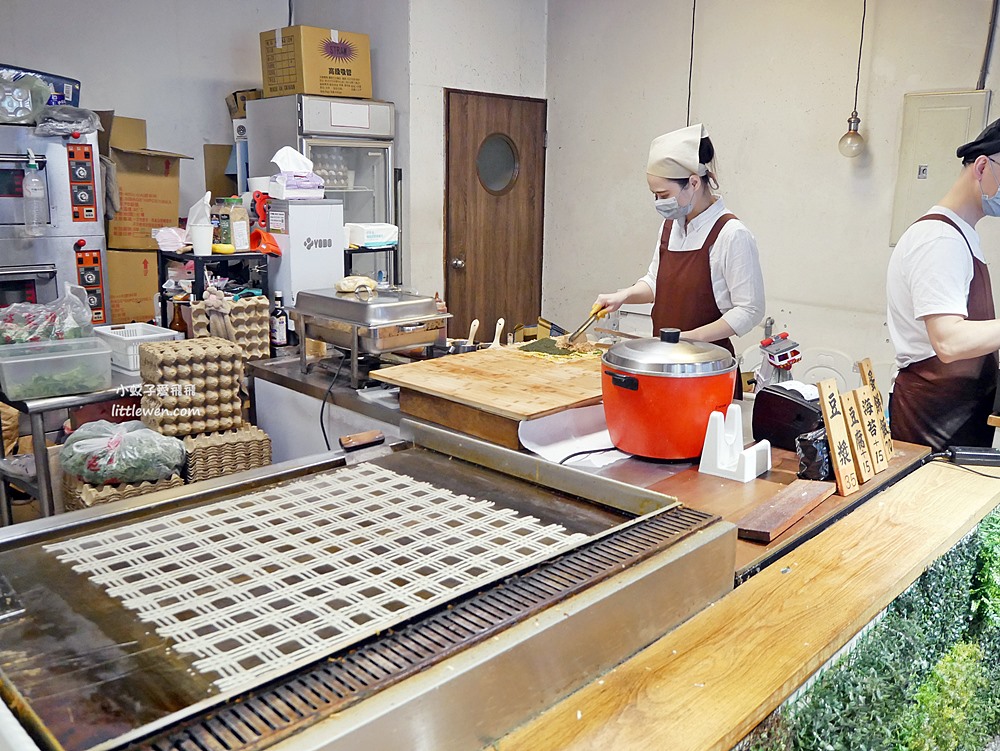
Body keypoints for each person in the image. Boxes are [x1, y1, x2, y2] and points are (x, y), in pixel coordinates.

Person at [594, 123, 765, 397]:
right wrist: (623, 296)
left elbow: (749, 310)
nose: (659, 203)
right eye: (655, 195)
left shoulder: (732, 235)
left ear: (694, 183)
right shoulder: (671, 227)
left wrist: (688, 340)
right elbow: (655, 281)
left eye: (664, 195)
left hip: (708, 374)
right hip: (664, 370)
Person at [886, 118, 1000, 452]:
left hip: (958, 415)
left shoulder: (962, 236)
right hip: (930, 423)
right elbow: (948, 342)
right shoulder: (939, 239)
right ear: (982, 166)